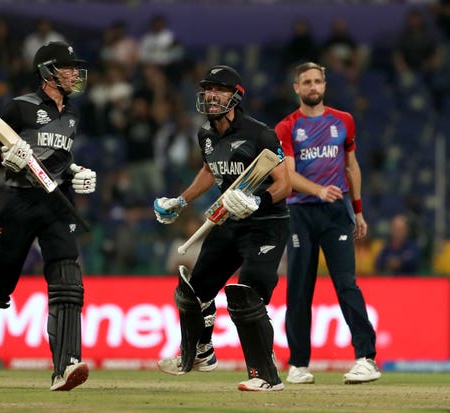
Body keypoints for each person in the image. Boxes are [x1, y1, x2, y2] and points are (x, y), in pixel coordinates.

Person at [153, 65, 291, 391]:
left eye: (220, 89)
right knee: (193, 294)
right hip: (229, 221)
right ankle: (200, 353)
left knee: (247, 294)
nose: (211, 95)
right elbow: (209, 170)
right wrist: (181, 201)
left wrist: (259, 202)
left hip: (266, 224)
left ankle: (266, 376)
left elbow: (284, 184)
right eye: (208, 89)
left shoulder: (261, 134)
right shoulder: (206, 135)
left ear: (236, 96)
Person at [0, 41, 95, 392]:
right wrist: (6, 159)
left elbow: (60, 158)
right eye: (67, 67)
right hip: (20, 201)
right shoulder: (20, 107)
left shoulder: (73, 114)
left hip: (56, 204)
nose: (75, 73)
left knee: (68, 278)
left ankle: (66, 367)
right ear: (47, 71)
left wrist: (76, 172)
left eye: (76, 67)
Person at [275, 61, 381, 385]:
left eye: (317, 81)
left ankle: (366, 359)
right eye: (306, 82)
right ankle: (298, 364)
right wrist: (318, 189)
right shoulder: (287, 127)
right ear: (296, 88)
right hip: (300, 214)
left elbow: (352, 166)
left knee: (346, 284)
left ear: (325, 85)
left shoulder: (343, 121)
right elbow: (288, 176)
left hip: (336, 213)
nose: (312, 87)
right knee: (299, 290)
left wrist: (359, 210)